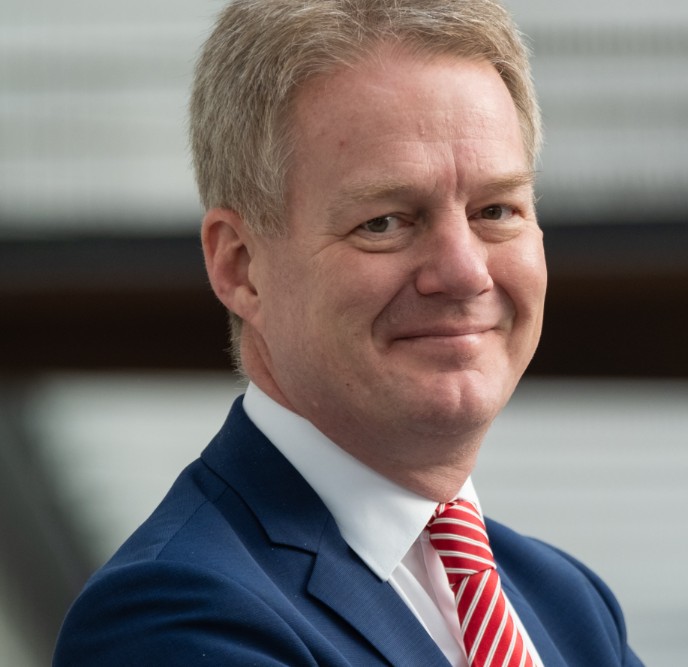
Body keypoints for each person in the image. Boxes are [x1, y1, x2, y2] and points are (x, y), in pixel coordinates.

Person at [54, 0, 643, 664]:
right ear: (241, 267)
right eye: (385, 222)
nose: (464, 272)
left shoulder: (568, 607)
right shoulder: (173, 619)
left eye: (496, 210)